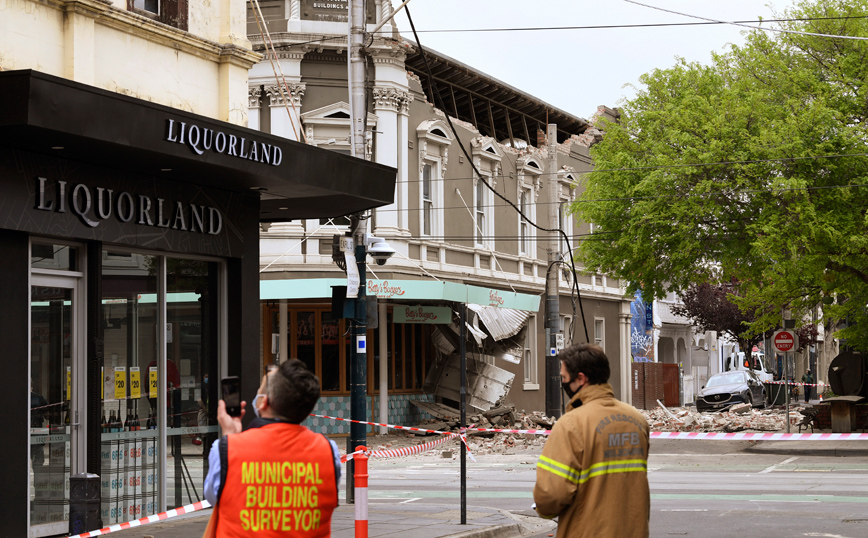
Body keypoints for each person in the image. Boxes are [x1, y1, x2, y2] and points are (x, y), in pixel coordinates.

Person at [204, 359, 340, 536]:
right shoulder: (329, 451)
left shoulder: (226, 448)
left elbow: (215, 499)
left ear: (263, 402)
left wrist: (230, 435)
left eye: (259, 390)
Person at [533, 343, 650, 538]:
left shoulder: (571, 424)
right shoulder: (637, 420)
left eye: (563, 378)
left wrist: (543, 509)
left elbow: (551, 495)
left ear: (580, 379)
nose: (562, 383)